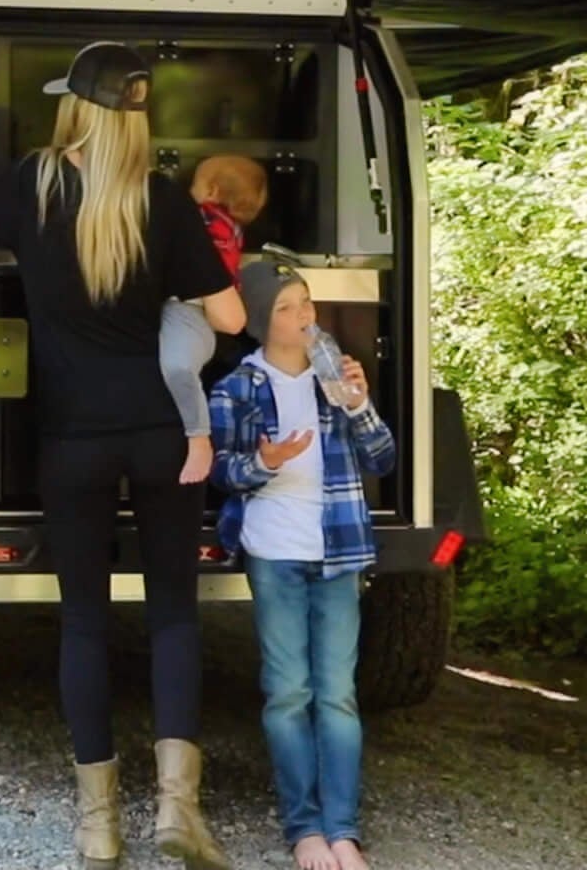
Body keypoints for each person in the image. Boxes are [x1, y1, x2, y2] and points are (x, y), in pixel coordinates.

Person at [0, 42, 246, 870]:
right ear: (138, 115)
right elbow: (232, 316)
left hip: (72, 437)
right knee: (175, 611)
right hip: (162, 435)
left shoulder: (32, 183)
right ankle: (178, 811)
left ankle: (97, 825)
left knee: (84, 619)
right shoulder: (165, 201)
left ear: (74, 107)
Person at [209, 261, 397, 870]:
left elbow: (384, 458)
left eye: (307, 304)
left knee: (338, 694)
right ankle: (304, 829)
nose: (305, 317)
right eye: (288, 308)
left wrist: (361, 404)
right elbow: (221, 474)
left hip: (338, 552)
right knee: (289, 693)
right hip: (275, 555)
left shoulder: (332, 376)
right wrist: (262, 461)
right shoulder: (238, 386)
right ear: (262, 321)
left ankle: (344, 830)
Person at [160, 155, 269, 484]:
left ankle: (198, 437)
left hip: (191, 313)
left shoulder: (206, 221)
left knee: (177, 368)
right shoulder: (229, 226)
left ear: (211, 190)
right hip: (189, 312)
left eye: (193, 184)